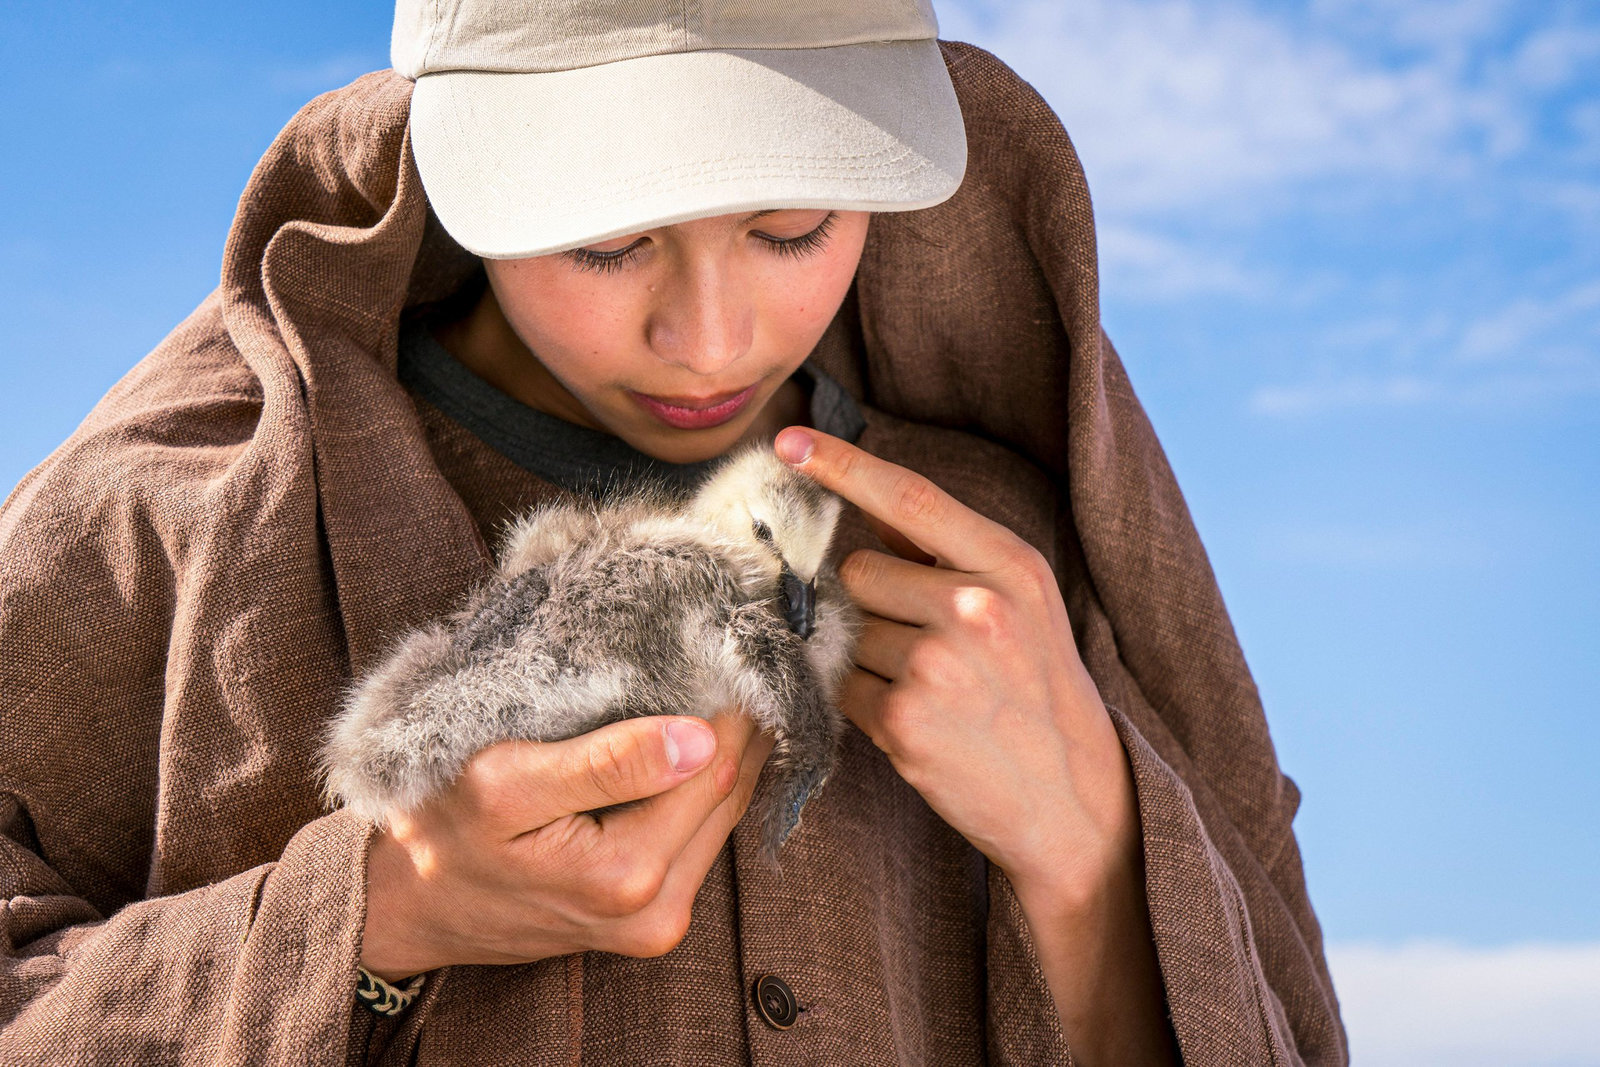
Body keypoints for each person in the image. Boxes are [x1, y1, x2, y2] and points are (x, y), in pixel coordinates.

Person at [0, 1, 1347, 1064]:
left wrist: (1089, 853)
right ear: (456, 171)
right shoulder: (173, 511)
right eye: (606, 243)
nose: (707, 340)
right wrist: (377, 917)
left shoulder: (1027, 556)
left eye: (791, 228)